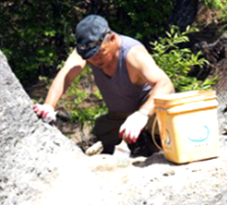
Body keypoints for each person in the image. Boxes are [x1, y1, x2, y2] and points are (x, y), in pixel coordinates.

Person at [33, 14, 174, 154]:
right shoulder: (86, 50)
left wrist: (142, 115)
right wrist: (48, 105)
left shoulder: (132, 53)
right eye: (90, 57)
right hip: (119, 115)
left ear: (112, 38)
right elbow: (66, 75)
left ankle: (157, 144)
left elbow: (165, 84)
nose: (95, 60)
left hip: (149, 110)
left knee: (164, 127)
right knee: (101, 133)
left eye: (100, 53)